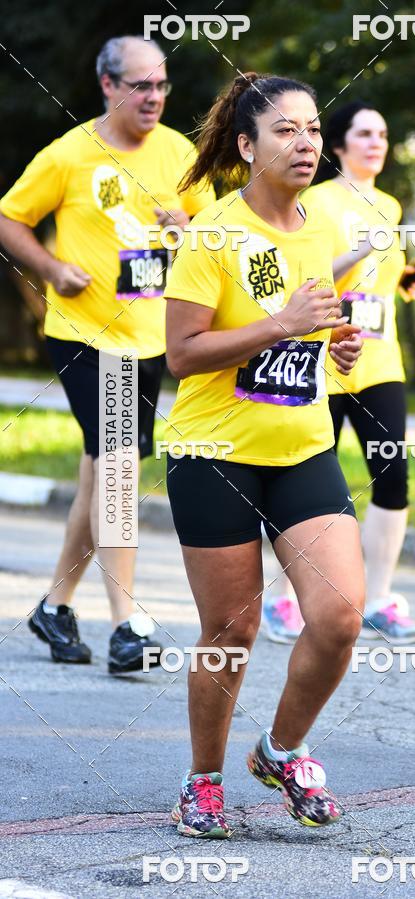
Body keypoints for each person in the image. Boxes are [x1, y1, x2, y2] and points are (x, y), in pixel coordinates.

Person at [164, 72, 364, 837]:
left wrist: (328, 342)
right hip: (214, 451)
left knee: (341, 614)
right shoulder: (211, 233)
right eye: (286, 129)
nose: (306, 142)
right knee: (232, 629)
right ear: (246, 146)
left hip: (302, 445)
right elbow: (182, 354)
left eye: (313, 128)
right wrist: (282, 324)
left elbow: (305, 329)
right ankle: (203, 781)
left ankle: (280, 748)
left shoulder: (323, 226)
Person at [0, 35, 215, 673]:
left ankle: (55, 606)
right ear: (108, 86)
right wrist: (50, 267)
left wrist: (191, 232)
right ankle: (126, 622)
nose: (153, 97)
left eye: (161, 85)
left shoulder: (180, 152)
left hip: (151, 339)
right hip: (85, 336)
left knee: (101, 470)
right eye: (140, 85)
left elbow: (219, 232)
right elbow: (9, 218)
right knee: (119, 464)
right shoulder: (69, 155)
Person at [262, 100, 415, 645]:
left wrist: (406, 276)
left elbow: (383, 268)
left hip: (379, 360)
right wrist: (359, 251)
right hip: (326, 361)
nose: (376, 142)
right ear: (339, 145)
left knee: (393, 477)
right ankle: (286, 602)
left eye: (382, 133)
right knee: (308, 485)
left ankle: (379, 599)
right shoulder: (316, 203)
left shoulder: (390, 204)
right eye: (364, 134)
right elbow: (302, 275)